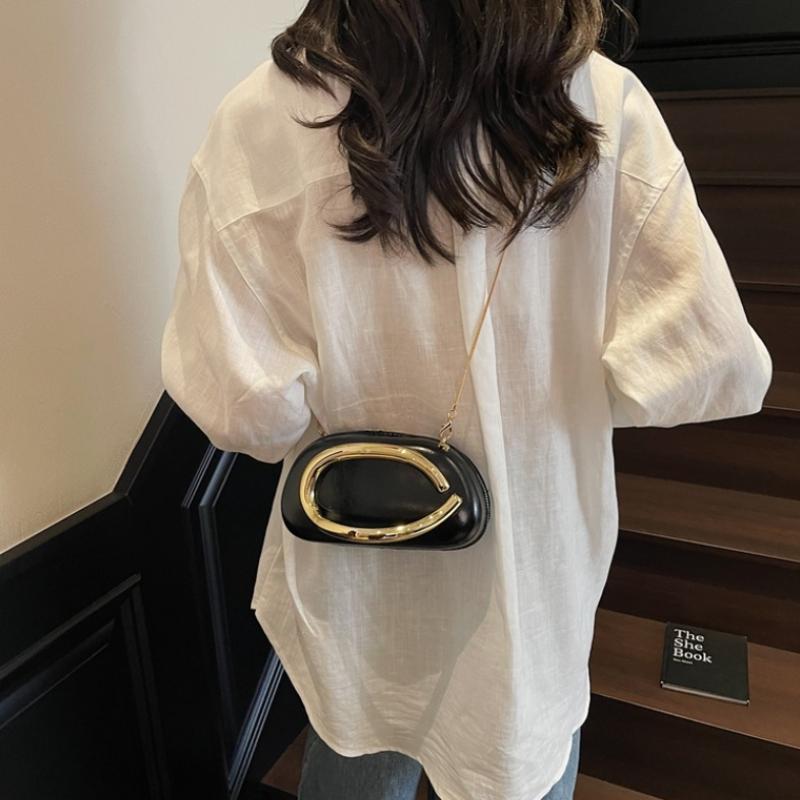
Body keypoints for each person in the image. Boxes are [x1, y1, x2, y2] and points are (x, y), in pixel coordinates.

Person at [160, 2, 773, 799]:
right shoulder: (604, 107)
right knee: (521, 757)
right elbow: (706, 366)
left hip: (358, 588)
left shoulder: (261, 120)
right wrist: (551, 398)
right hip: (532, 576)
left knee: (355, 749)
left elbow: (247, 414)